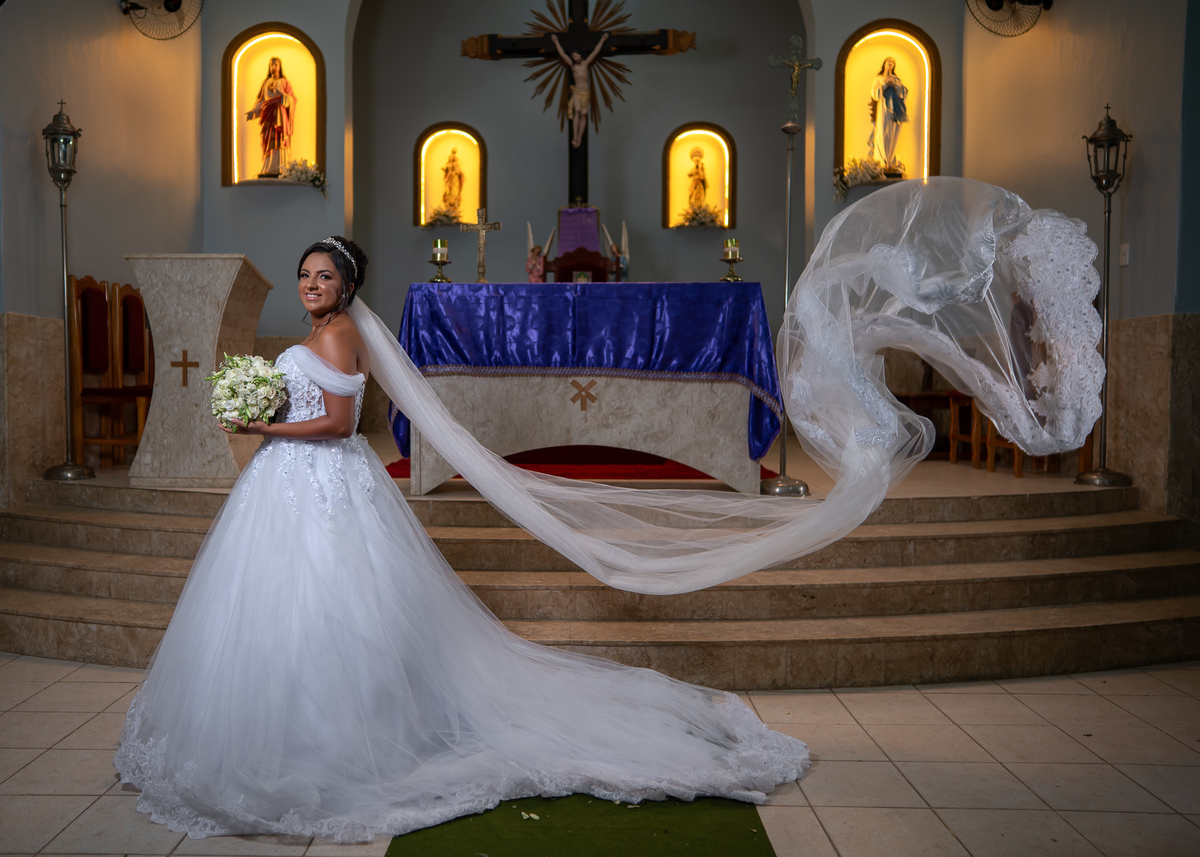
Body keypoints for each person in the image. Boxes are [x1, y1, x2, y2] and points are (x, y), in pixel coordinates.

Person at [114, 235, 809, 844]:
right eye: (305, 274)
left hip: (318, 476)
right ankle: (287, 730)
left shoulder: (334, 336)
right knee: (281, 607)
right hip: (290, 484)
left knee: (328, 604)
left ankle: (332, 739)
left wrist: (263, 428)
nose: (311, 285)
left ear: (348, 287)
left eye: (324, 276)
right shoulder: (327, 333)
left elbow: (337, 424)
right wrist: (267, 408)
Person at [550, 32, 609, 148]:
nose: (575, 58)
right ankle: (574, 136)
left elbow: (595, 52)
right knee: (577, 112)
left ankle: (579, 137)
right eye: (573, 57)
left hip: (585, 92)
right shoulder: (573, 66)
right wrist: (556, 41)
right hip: (577, 91)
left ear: (580, 55)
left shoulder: (585, 64)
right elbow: (562, 54)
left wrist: (602, 40)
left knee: (584, 114)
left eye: (576, 56)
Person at [245, 57, 296, 178]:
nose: (273, 67)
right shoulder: (266, 83)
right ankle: (269, 168)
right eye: (271, 65)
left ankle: (282, 168)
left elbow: (292, 99)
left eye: (275, 65)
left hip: (280, 116)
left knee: (280, 139)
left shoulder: (285, 82)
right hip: (268, 116)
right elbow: (261, 100)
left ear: (280, 66)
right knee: (268, 139)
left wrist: (282, 96)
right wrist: (253, 111)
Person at [867, 57, 907, 172]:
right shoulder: (879, 79)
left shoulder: (897, 79)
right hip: (883, 110)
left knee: (893, 134)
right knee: (882, 132)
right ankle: (882, 161)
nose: (891, 63)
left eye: (893, 62)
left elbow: (903, 93)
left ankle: (890, 160)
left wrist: (895, 85)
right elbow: (875, 94)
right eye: (889, 61)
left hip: (895, 111)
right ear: (884, 64)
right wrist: (885, 85)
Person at [441, 147, 464, 213]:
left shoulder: (456, 164)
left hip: (455, 180)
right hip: (449, 180)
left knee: (455, 191)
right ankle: (449, 206)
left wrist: (455, 172)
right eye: (451, 158)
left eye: (453, 158)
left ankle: (454, 206)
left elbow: (459, 172)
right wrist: (446, 171)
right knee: (448, 191)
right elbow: (447, 171)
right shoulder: (448, 164)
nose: (452, 159)